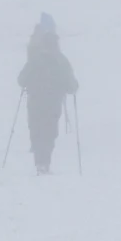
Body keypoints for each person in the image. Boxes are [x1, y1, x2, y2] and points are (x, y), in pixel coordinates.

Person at [17, 14, 78, 174]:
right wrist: (71, 88)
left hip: (35, 102)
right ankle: (46, 163)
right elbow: (72, 84)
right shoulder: (61, 61)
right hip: (53, 103)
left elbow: (21, 79)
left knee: (36, 130)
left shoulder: (35, 59)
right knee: (49, 132)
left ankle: (39, 163)